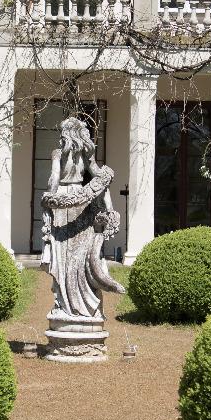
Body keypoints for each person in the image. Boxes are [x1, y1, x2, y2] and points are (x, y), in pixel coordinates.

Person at [41, 117, 124, 318]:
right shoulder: (87, 154)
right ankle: (83, 307)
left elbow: (54, 180)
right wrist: (109, 203)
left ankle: (66, 306)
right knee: (77, 257)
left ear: (67, 134)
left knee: (68, 258)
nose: (60, 138)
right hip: (81, 202)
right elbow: (97, 175)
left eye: (62, 133)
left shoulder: (58, 153)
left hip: (63, 202)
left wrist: (47, 199)